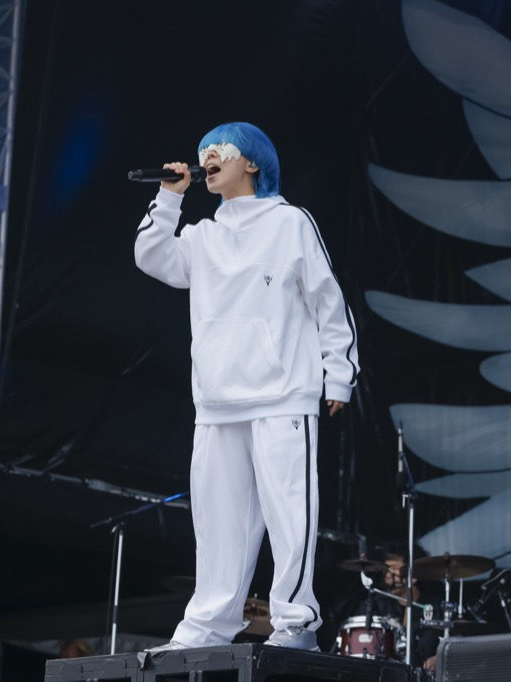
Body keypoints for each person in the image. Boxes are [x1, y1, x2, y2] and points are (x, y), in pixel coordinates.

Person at [134, 122, 359, 653]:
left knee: (290, 516)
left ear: (252, 163)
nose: (207, 157)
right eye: (203, 152)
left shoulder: (290, 223)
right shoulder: (202, 236)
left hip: (282, 396)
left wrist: (339, 374)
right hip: (217, 402)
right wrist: (169, 198)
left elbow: (328, 300)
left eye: (220, 150)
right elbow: (151, 256)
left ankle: (296, 623)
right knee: (218, 524)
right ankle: (206, 627)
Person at [348, 541, 440, 671]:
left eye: (394, 568)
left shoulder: (435, 608)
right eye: (387, 568)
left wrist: (440, 658)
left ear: (414, 576)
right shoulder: (375, 604)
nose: (388, 574)